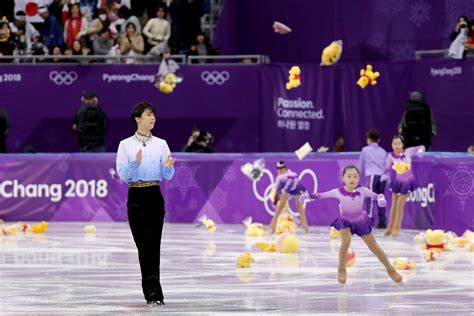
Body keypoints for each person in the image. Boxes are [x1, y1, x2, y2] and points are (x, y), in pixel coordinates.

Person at [116, 101, 176, 306]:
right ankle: (152, 292)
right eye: (149, 115)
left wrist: (168, 167)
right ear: (138, 119)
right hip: (136, 196)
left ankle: (155, 295)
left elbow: (167, 175)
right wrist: (136, 163)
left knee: (154, 245)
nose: (153, 118)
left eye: (154, 115)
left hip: (154, 195)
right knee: (143, 244)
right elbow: (123, 174)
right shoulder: (125, 144)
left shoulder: (161, 143)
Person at [300, 165, 402, 284]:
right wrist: (308, 196)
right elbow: (321, 195)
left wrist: (380, 199)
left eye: (355, 176)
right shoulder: (338, 192)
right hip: (345, 222)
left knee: (374, 246)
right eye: (349, 176)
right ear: (343, 178)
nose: (352, 179)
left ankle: (390, 269)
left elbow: (377, 195)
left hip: (360, 221)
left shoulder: (362, 191)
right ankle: (341, 268)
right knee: (346, 241)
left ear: (358, 178)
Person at [383, 135, 425, 237]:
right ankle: (390, 227)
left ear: (402, 145)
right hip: (397, 182)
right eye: (394, 144)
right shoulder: (391, 156)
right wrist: (385, 174)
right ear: (392, 145)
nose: (396, 146)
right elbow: (387, 167)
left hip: (407, 182)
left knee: (399, 205)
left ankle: (397, 228)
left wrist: (420, 152)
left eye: (398, 143)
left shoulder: (408, 152)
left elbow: (422, 147)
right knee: (393, 205)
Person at [359, 130, 388, 228]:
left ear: (369, 139)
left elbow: (360, 165)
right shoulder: (383, 151)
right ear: (378, 140)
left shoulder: (365, 150)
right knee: (381, 198)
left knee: (370, 198)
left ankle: (369, 220)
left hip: (372, 176)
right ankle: (382, 221)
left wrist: (357, 177)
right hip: (382, 177)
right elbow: (386, 166)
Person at [269, 161, 309, 233]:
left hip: (290, 186)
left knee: (279, 207)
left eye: (281, 170)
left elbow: (277, 192)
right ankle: (305, 227)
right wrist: (305, 192)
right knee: (300, 208)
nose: (280, 171)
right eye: (279, 170)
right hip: (298, 185)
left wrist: (275, 202)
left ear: (285, 169)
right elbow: (300, 184)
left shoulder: (279, 178)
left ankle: (272, 227)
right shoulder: (292, 173)